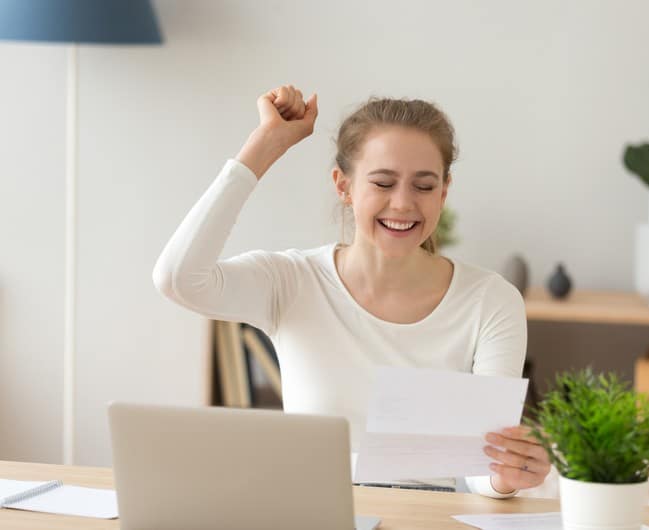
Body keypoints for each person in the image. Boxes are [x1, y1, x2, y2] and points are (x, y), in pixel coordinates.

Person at [153, 84, 550, 498]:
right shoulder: (292, 280)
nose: (402, 203)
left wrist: (506, 476)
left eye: (424, 186)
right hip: (315, 511)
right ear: (343, 186)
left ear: (444, 192)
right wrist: (265, 144)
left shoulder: (492, 301)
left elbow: (479, 469)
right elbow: (178, 279)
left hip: (428, 518)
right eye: (382, 183)